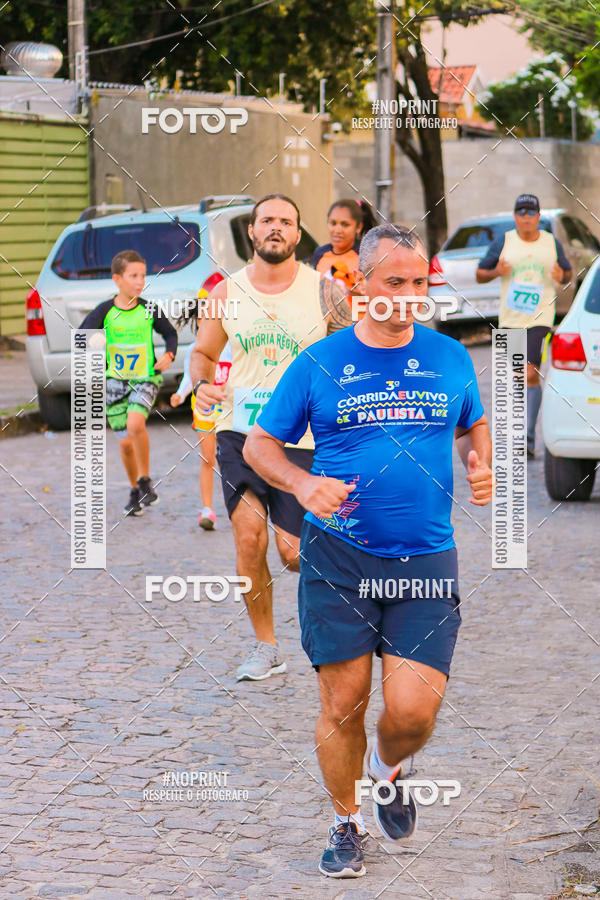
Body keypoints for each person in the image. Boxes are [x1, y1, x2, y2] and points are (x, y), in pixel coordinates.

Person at [243, 224, 493, 877]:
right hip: (340, 558)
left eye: (419, 284)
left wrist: (481, 460)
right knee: (342, 702)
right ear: (362, 284)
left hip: (426, 559)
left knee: (411, 712)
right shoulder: (319, 363)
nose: (409, 296)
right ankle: (347, 823)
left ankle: (388, 767)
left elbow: (471, 421)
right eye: (395, 282)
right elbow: (258, 447)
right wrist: (301, 483)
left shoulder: (450, 357)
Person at [190, 193, 352, 681]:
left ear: (298, 235)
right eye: (267, 220)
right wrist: (203, 383)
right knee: (248, 537)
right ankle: (266, 646)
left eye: (286, 221)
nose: (276, 227)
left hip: (303, 437)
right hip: (240, 432)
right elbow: (202, 353)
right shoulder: (224, 293)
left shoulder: (327, 293)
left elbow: (352, 356)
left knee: (291, 551)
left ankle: (351, 586)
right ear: (253, 233)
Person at [80, 249, 177, 516]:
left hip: (145, 379)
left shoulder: (148, 309)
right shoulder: (105, 311)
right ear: (117, 279)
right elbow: (82, 335)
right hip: (115, 384)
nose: (139, 281)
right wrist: (94, 341)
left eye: (142, 276)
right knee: (124, 444)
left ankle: (145, 480)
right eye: (133, 276)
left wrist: (169, 355)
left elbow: (169, 333)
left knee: (136, 423)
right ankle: (136, 489)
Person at [476, 193, 572, 457]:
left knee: (530, 372)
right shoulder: (504, 242)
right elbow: (480, 273)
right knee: (518, 376)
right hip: (510, 319)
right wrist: (497, 271)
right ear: (515, 216)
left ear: (538, 217)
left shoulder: (551, 243)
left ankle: (527, 437)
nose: (527, 218)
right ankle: (519, 430)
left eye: (531, 213)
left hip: (540, 318)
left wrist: (560, 275)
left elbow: (567, 273)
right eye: (522, 213)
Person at [171, 295, 232, 529]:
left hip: (231, 409)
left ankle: (241, 505)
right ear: (196, 322)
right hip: (205, 409)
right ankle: (207, 510)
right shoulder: (194, 350)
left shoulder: (232, 345)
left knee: (235, 458)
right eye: (201, 318)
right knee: (208, 458)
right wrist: (180, 394)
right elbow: (190, 376)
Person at [311, 199, 365, 295]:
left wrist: (363, 295)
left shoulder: (365, 257)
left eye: (345, 224)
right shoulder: (319, 254)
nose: (337, 230)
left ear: (358, 227)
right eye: (333, 223)